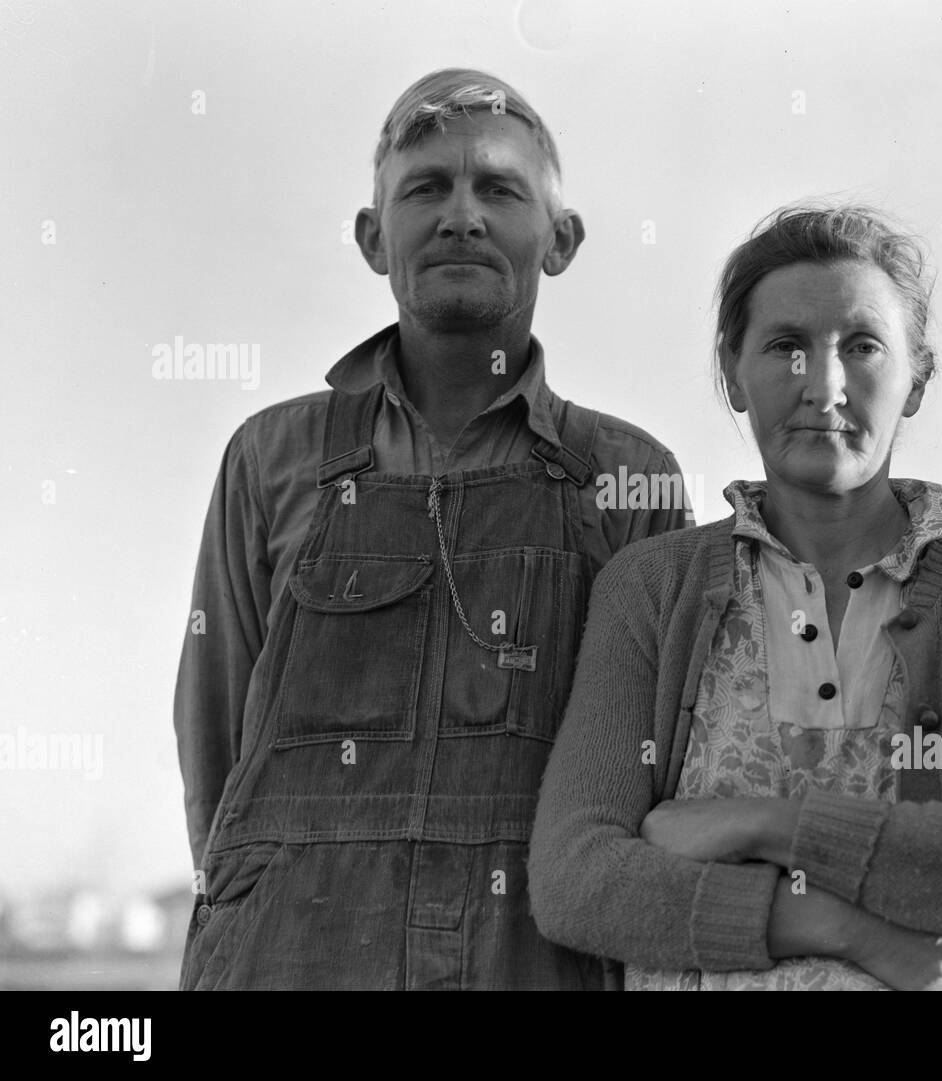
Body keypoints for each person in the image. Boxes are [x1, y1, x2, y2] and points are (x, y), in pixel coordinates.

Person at [173, 69, 691, 990]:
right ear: (374, 239)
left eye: (499, 188)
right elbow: (213, 733)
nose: (462, 216)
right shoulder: (272, 457)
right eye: (425, 189)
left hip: (535, 956)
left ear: (561, 239)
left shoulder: (627, 478)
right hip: (289, 956)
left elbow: (656, 773)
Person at [528, 203, 942, 991]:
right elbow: (576, 880)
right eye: (786, 345)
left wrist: (761, 823)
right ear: (733, 371)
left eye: (862, 346)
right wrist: (851, 930)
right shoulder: (654, 588)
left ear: (917, 377)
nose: (822, 386)